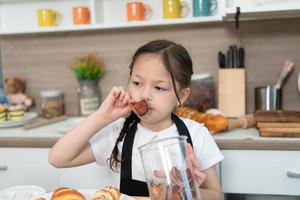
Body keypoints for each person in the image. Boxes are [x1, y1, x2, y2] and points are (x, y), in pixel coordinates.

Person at [49, 40, 224, 200]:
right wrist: (101, 118)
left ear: (182, 96)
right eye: (137, 83)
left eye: (159, 87)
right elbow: (58, 159)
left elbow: (217, 195)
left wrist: (187, 191)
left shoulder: (196, 134)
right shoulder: (117, 133)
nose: (144, 95)